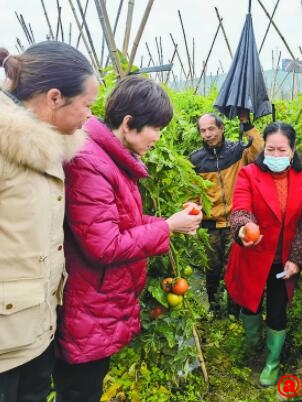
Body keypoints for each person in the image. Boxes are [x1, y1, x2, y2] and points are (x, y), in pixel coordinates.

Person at [53, 75, 202, 402]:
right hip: (87, 306)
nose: (159, 138)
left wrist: (169, 222)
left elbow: (120, 223)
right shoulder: (91, 163)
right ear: (129, 122)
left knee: (86, 387)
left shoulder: (110, 158)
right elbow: (103, 245)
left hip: (97, 304)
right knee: (80, 391)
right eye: (157, 129)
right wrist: (166, 228)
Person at [0, 41, 97, 402]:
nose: (90, 115)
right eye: (86, 105)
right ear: (55, 97)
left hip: (34, 329)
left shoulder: (47, 147)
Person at [225, 122, 302, 386]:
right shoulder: (249, 174)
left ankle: (272, 363)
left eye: (282, 150)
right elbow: (241, 208)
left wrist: (296, 258)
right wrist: (243, 228)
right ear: (263, 148)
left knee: (277, 312)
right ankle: (253, 343)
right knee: (249, 304)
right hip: (253, 255)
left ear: (293, 150)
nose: (276, 156)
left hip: (282, 261)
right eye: (271, 149)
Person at [189, 110, 263, 316]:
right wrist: (193, 216)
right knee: (211, 270)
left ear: (221, 128)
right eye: (203, 130)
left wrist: (247, 124)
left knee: (235, 271)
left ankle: (233, 312)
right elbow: (192, 193)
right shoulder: (196, 159)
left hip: (235, 223)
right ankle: (214, 309)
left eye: (211, 128)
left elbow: (258, 152)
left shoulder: (238, 150)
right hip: (210, 225)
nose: (207, 134)